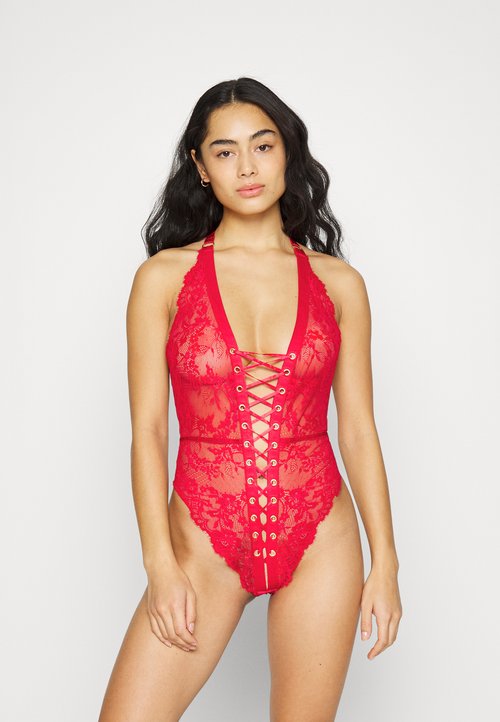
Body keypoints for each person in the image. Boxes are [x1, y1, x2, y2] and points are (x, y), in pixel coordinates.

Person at [98, 77, 402, 722]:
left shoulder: (341, 284)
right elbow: (148, 430)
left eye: (263, 146)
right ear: (200, 166)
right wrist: (160, 565)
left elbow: (358, 430)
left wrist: (386, 563)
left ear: (287, 152)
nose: (247, 167)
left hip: (321, 538)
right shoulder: (162, 279)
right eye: (225, 151)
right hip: (201, 546)